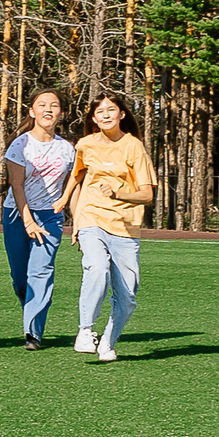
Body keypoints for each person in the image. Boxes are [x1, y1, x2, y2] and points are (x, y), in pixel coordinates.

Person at [64, 92, 157, 364]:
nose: (106, 115)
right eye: (100, 112)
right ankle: (85, 330)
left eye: (111, 110)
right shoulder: (85, 144)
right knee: (97, 267)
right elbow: (78, 176)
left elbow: (147, 195)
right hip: (92, 217)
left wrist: (118, 194)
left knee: (127, 298)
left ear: (122, 114)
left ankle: (108, 340)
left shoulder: (133, 146)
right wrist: (72, 212)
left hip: (126, 228)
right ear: (94, 118)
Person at [0, 89, 74, 350]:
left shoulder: (67, 149)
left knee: (41, 271)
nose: (48, 109)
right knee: (21, 278)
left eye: (54, 105)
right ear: (32, 112)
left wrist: (78, 221)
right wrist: (28, 221)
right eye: (42, 105)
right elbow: (17, 185)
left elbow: (72, 186)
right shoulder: (20, 145)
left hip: (50, 216)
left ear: (60, 113)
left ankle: (33, 333)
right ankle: (30, 308)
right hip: (17, 214)